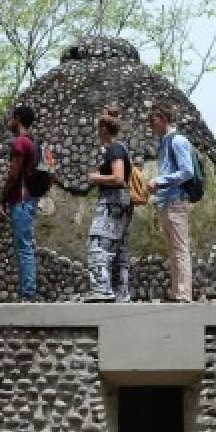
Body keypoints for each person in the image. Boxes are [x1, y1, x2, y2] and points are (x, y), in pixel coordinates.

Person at [146, 101, 195, 302]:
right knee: (173, 249)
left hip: (176, 201)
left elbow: (187, 171)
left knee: (180, 248)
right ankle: (177, 292)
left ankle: (183, 293)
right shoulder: (166, 142)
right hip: (167, 200)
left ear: (164, 118)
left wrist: (160, 181)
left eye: (153, 120)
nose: (151, 125)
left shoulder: (177, 141)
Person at [83, 107, 132, 302]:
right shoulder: (120, 148)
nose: (96, 131)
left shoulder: (115, 149)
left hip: (113, 202)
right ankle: (121, 292)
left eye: (98, 127)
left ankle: (102, 289)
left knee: (98, 243)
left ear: (103, 128)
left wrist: (96, 177)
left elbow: (119, 177)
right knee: (119, 249)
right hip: (121, 202)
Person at [0, 104, 40, 301]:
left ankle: (28, 293)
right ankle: (27, 290)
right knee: (25, 245)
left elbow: (14, 174)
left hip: (21, 200)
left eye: (12, 117)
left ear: (18, 120)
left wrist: (2, 196)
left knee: (23, 246)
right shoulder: (33, 143)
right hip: (30, 199)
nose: (10, 121)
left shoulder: (20, 143)